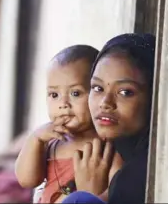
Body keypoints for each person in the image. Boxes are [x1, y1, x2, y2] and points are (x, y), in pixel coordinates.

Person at [15, 45, 124, 203]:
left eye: (75, 93)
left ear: (98, 94)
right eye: (54, 94)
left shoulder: (106, 146)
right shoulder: (52, 144)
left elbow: (117, 193)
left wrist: (91, 194)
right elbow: (27, 180)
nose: (63, 104)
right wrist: (35, 140)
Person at [62, 33, 156, 204]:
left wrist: (88, 195)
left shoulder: (139, 178)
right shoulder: (106, 159)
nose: (105, 103)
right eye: (97, 88)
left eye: (125, 92)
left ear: (153, 98)